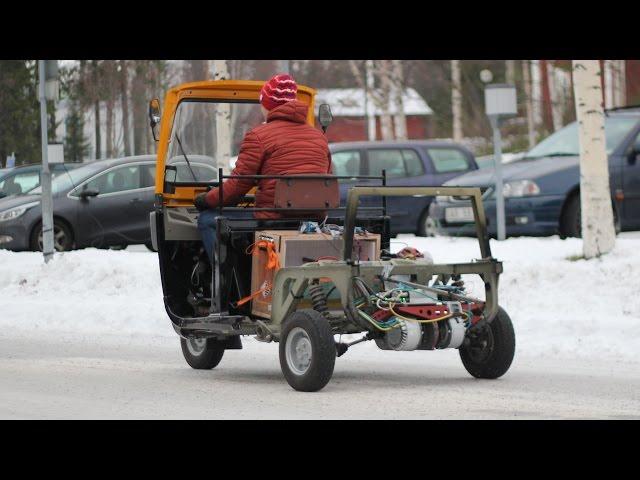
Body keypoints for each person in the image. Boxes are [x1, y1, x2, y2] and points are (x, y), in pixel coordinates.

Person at [195, 74, 332, 262]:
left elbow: (235, 189)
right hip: (313, 222)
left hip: (273, 220)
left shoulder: (259, 135)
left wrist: (205, 200)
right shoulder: (319, 137)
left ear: (267, 105)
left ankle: (225, 285)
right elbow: (327, 179)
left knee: (207, 220)